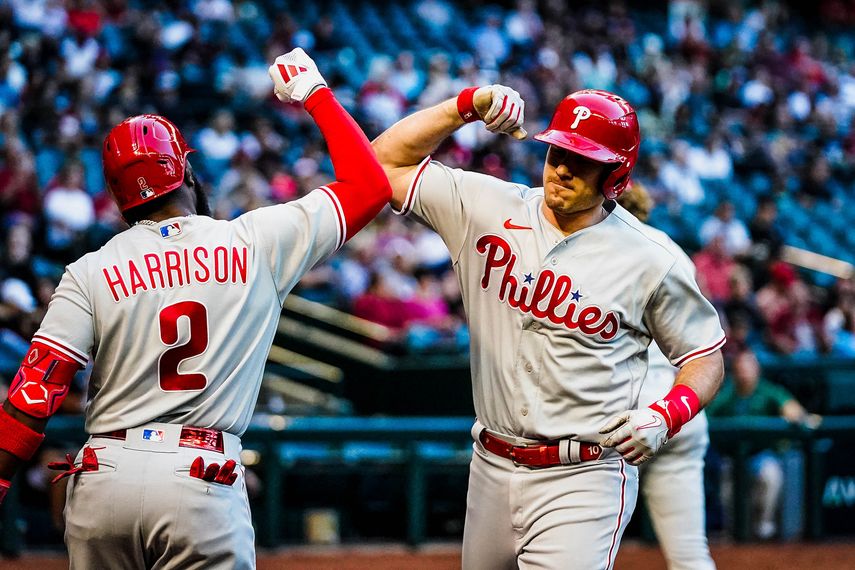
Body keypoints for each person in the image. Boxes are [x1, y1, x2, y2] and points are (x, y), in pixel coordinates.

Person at [0, 48, 391, 569]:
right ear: (185, 170)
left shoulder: (89, 269)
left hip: (103, 477)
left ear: (118, 198)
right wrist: (314, 94)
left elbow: (33, 395)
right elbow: (370, 186)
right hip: (199, 478)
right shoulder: (254, 241)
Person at [371, 85, 725, 568]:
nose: (562, 166)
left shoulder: (652, 259)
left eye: (582, 159)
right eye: (558, 150)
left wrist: (667, 415)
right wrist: (465, 106)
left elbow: (704, 357)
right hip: (490, 461)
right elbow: (381, 162)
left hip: (584, 474)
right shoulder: (487, 206)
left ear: (616, 174)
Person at [618, 183, 716, 570]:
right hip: (680, 413)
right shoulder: (673, 250)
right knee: (690, 556)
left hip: (628, 419)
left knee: (577, 553)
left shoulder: (604, 248)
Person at [707, 349, 819, 539]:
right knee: (726, 488)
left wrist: (794, 413)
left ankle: (763, 527)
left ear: (757, 369)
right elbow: (706, 418)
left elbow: (794, 410)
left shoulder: (768, 390)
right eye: (740, 367)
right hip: (733, 458)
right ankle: (733, 532)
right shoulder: (727, 394)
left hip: (761, 454)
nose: (744, 371)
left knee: (770, 475)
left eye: (748, 367)